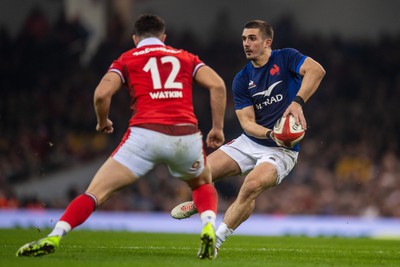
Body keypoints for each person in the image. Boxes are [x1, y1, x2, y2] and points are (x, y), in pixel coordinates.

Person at [16, 13, 226, 260]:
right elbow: (218, 86)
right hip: (185, 134)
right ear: (164, 37)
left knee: (94, 193)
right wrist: (217, 128)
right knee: (202, 184)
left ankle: (55, 234)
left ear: (135, 38)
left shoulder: (126, 59)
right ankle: (208, 226)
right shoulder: (185, 57)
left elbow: (101, 94)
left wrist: (103, 121)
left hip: (144, 135)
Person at [171, 19, 326, 257]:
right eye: (244, 39)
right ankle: (198, 202)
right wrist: (271, 133)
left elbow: (317, 70)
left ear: (267, 42)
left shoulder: (285, 58)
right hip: (252, 141)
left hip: (281, 151)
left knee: (250, 186)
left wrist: (297, 103)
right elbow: (247, 123)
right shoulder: (242, 79)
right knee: (200, 173)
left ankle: (216, 240)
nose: (246, 43)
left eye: (252, 38)